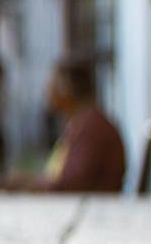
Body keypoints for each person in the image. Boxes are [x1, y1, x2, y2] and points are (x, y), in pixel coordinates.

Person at [35, 57, 127, 193]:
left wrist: (23, 185)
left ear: (66, 88)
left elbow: (71, 184)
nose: (47, 91)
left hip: (92, 207)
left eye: (52, 83)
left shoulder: (92, 127)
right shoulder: (80, 122)